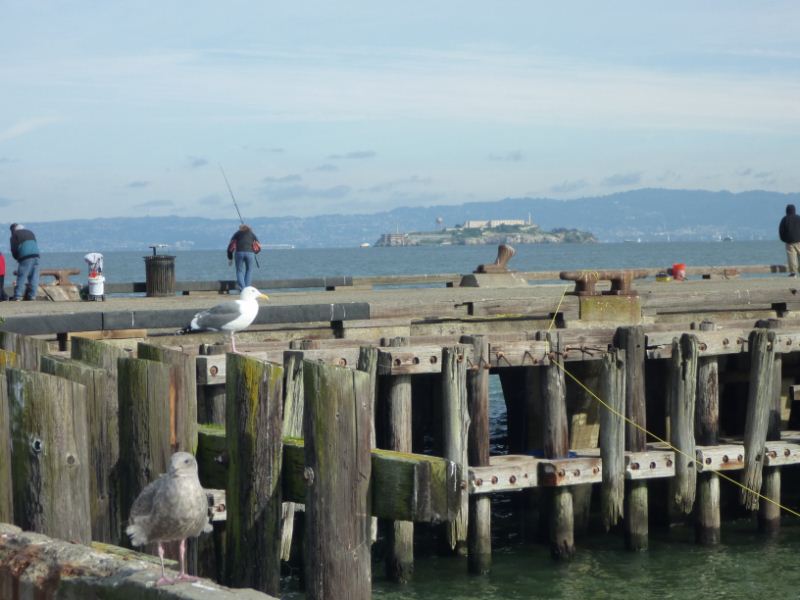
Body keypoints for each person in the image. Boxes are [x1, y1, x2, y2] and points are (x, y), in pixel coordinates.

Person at [9, 223, 40, 300]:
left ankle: (17, 296)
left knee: (21, 276)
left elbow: (14, 249)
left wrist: (17, 258)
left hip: (25, 256)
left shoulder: (14, 235)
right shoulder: (30, 232)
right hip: (36, 255)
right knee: (34, 276)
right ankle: (32, 295)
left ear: (13, 230)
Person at [226, 224, 261, 290]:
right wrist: (255, 252)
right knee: (249, 270)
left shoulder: (237, 234)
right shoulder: (252, 234)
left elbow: (230, 247)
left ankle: (242, 288)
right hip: (250, 253)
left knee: (239, 271)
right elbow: (258, 246)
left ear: (240, 228)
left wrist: (230, 258)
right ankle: (247, 289)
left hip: (239, 253)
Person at [779, 204, 800, 277]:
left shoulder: (785, 219)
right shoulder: (799, 218)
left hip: (789, 242)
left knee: (791, 257)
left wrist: (784, 239)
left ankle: (793, 273)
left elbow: (781, 231)